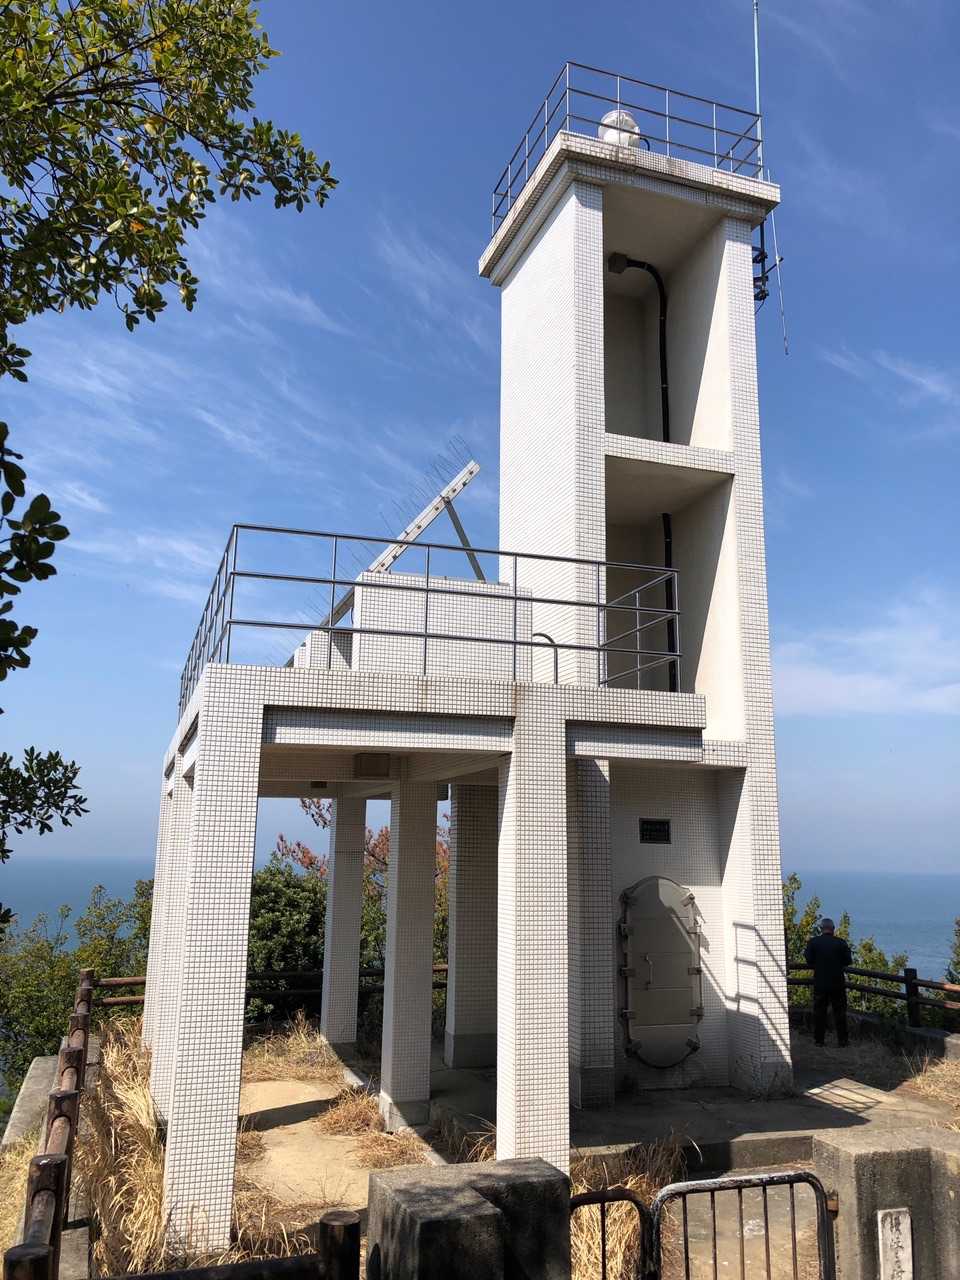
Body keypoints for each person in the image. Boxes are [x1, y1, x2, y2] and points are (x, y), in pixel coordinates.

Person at [804, 918, 852, 1047]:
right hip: (837, 983)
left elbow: (809, 959)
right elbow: (848, 961)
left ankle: (819, 1040)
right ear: (833, 929)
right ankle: (843, 1040)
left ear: (821, 929)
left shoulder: (813, 942)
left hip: (820, 982)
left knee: (819, 1012)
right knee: (840, 1012)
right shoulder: (841, 943)